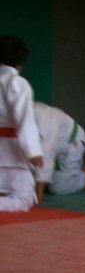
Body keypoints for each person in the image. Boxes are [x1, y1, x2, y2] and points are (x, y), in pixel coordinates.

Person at [0, 35, 43, 212]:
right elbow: (25, 120)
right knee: (24, 200)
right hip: (13, 155)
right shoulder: (17, 83)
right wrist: (33, 151)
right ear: (20, 63)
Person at [33, 102, 85, 200]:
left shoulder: (43, 119)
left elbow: (46, 155)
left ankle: (83, 176)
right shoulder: (13, 116)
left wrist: (38, 196)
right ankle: (52, 177)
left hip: (70, 143)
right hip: (52, 146)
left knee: (57, 188)